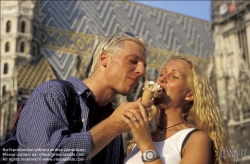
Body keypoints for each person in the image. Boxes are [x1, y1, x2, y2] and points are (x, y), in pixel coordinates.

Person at [16, 32, 153, 164]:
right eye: (132, 61)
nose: (141, 71)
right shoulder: (52, 94)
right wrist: (112, 127)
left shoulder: (114, 117)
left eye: (144, 66)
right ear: (104, 59)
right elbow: (43, 160)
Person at [122, 56, 228, 164]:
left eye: (174, 76)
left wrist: (145, 144)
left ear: (189, 94)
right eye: (161, 74)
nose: (161, 79)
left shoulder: (196, 139)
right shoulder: (139, 138)